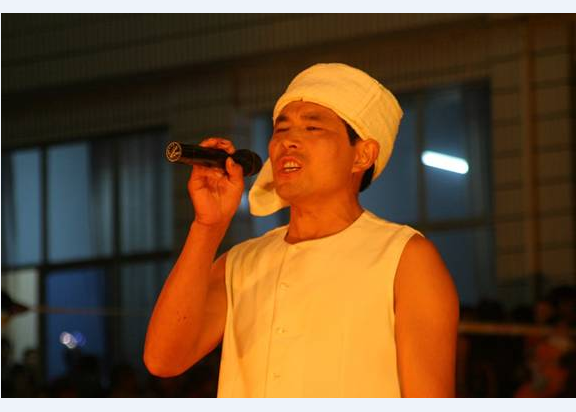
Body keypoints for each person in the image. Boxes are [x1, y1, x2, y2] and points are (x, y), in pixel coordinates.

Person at [144, 63, 459, 397]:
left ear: (363, 155)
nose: (288, 142)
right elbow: (163, 360)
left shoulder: (403, 258)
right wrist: (208, 226)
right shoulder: (241, 263)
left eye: (312, 128)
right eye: (281, 129)